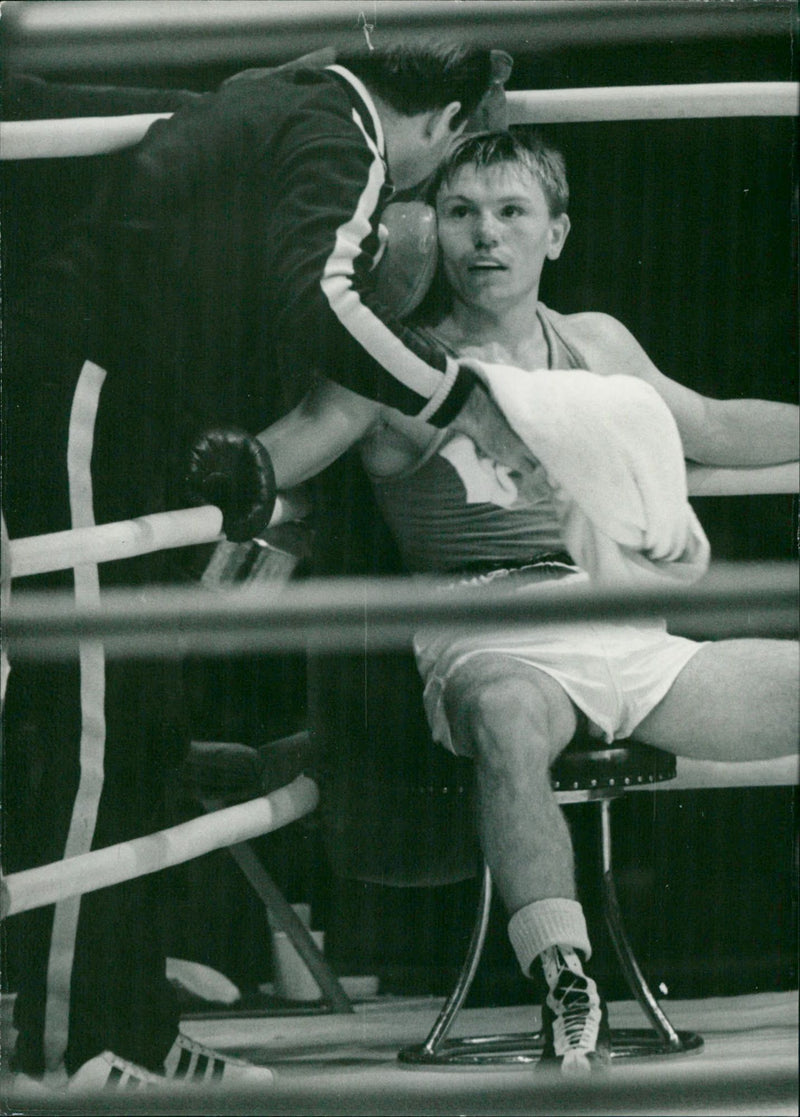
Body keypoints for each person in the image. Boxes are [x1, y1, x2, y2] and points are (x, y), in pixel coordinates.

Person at [1, 45, 512, 1094]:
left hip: (132, 403)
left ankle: (124, 1023)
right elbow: (318, 300)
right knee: (97, 707)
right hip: (89, 385)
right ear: (446, 119)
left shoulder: (283, 99)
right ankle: (64, 1051)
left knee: (136, 712)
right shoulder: (343, 128)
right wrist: (458, 403)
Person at [254, 129, 799, 1075]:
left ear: (556, 232)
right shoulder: (399, 364)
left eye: (511, 213)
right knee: (507, 718)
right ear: (431, 228)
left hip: (627, 631)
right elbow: (290, 445)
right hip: (490, 632)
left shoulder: (596, 344)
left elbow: (710, 425)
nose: (484, 237)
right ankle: (566, 989)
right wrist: (224, 476)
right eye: (462, 212)